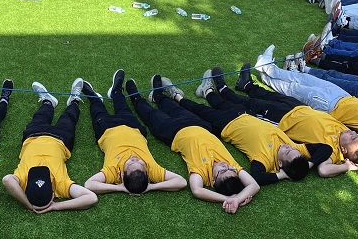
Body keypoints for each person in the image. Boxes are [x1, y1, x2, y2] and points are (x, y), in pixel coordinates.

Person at [130, 75, 260, 212]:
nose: (225, 166)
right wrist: (237, 199)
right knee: (172, 107)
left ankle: (135, 97)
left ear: (213, 181)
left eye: (222, 171)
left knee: (150, 113)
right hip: (197, 124)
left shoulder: (202, 173)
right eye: (230, 169)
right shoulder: (231, 165)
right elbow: (254, 185)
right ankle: (157, 95)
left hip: (172, 131)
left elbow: (197, 190)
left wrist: (227, 199)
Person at [190, 69, 336, 183]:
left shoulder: (265, 159)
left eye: (287, 152)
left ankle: (198, 94)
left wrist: (282, 175)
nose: (288, 146)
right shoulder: (296, 149)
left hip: (227, 126)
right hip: (246, 116)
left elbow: (257, 177)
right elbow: (326, 148)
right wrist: (308, 164)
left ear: (279, 163)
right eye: (292, 149)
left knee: (202, 111)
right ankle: (214, 90)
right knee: (225, 104)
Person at [83, 70, 187, 196]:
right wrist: (150, 187)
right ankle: (116, 90)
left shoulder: (113, 172)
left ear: (122, 176)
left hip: (106, 129)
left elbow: (89, 184)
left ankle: (93, 97)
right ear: (147, 173)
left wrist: (121, 188)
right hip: (132, 126)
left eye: (131, 164)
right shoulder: (151, 169)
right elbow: (181, 182)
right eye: (140, 163)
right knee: (122, 106)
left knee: (97, 109)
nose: (135, 159)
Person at [1, 80, 99, 213]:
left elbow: (7, 180)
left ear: (26, 190)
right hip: (61, 138)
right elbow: (91, 198)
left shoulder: (22, 182)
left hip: (33, 136)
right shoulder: (61, 186)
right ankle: (74, 100)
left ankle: (48, 101)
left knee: (41, 115)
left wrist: (28, 205)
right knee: (69, 117)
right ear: (53, 194)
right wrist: (54, 206)